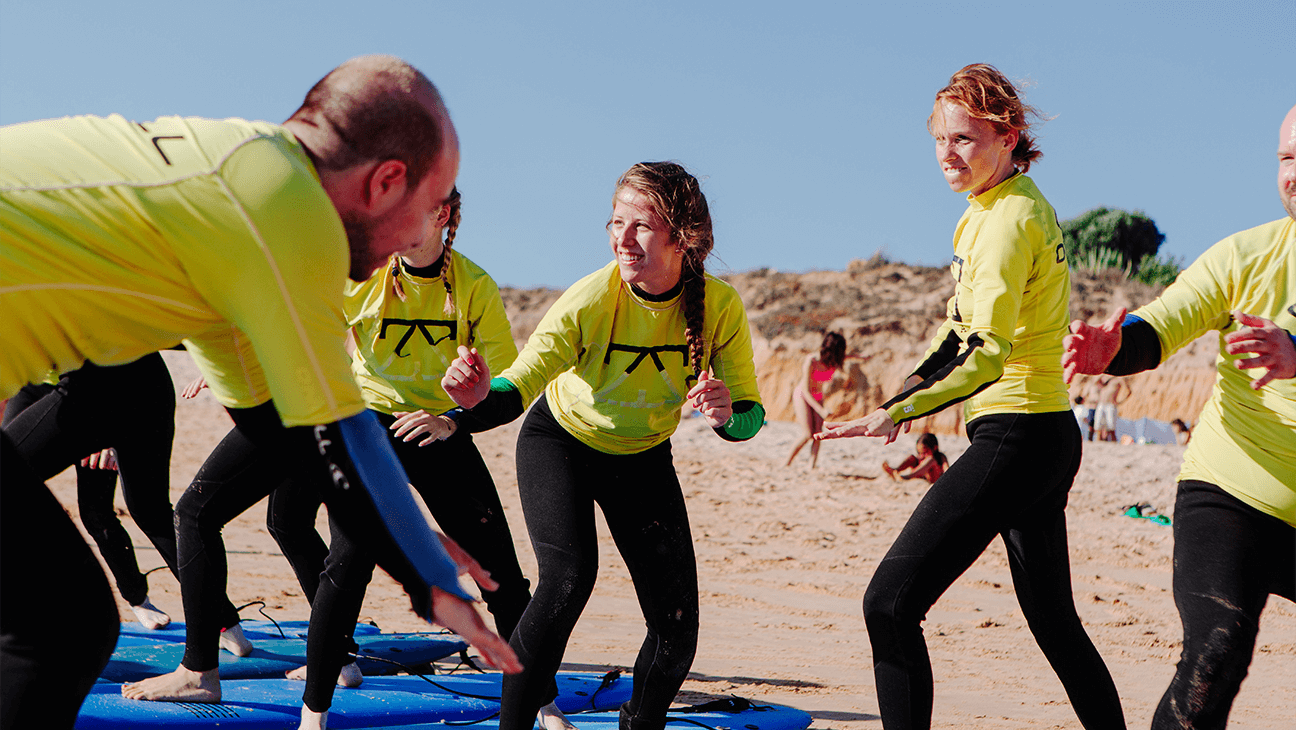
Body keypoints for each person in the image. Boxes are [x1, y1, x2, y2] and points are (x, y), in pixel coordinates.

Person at [0, 55, 518, 730]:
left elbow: (288, 428)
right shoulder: (287, 217)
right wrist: (426, 577)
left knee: (57, 618)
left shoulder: (243, 192)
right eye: (427, 205)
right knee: (61, 623)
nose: (423, 232)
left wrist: (410, 538)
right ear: (387, 181)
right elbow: (339, 430)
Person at [817, 64, 1126, 729]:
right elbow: (956, 331)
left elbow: (984, 351)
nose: (947, 155)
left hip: (1017, 433)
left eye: (964, 139)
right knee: (1056, 627)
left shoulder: (1008, 221)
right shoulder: (994, 211)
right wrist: (905, 395)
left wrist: (898, 409)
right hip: (1042, 436)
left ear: (1009, 136)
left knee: (889, 604)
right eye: (938, 140)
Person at [442, 162, 763, 730]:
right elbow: (515, 387)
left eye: (640, 224)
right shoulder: (591, 299)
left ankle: (638, 724)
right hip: (559, 442)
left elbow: (748, 417)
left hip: (642, 458)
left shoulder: (721, 308)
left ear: (682, 235)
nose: (622, 237)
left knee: (677, 628)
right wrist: (470, 402)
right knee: (567, 580)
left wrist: (724, 414)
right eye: (615, 222)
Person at [1062, 103, 1295, 730]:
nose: (1292, 174)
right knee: (1214, 656)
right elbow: (1167, 320)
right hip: (1232, 492)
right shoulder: (1247, 256)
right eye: (1285, 158)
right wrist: (1117, 348)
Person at [271, 188, 537, 729]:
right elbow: (300, 318)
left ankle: (545, 704)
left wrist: (455, 416)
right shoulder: (365, 275)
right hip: (370, 427)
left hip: (440, 431)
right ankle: (313, 716)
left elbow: (509, 388)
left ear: (441, 216)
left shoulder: (474, 286)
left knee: (500, 575)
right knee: (346, 563)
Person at [785, 331, 847, 468]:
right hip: (803, 395)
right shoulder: (812, 361)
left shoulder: (834, 361)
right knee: (807, 434)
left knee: (818, 434)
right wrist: (821, 410)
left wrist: (861, 357)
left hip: (818, 396)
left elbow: (847, 356)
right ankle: (786, 463)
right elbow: (806, 391)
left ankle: (811, 466)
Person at [881, 432, 947, 484]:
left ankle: (906, 477)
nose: (921, 456)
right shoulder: (920, 458)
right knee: (912, 457)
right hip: (921, 478)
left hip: (933, 479)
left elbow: (947, 470)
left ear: (934, 448)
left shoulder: (940, 457)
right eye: (919, 453)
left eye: (925, 453)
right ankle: (895, 470)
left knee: (930, 460)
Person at [1091, 373, 1131, 441]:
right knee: (1098, 426)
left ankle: (1113, 442)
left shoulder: (1119, 379)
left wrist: (1121, 401)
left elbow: (1129, 390)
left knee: (1111, 427)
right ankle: (1099, 443)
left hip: (1110, 404)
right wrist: (1102, 373)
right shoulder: (1104, 379)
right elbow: (1094, 382)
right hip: (1101, 403)